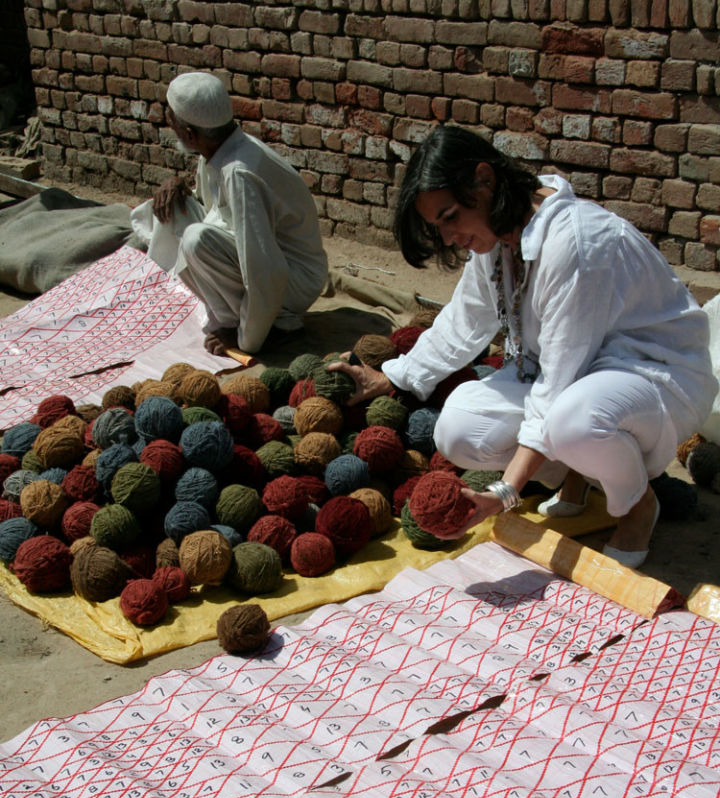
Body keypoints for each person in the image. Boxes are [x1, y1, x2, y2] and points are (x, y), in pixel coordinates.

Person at [331, 125, 718, 568]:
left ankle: (637, 503)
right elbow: (464, 320)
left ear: (484, 178)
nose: (449, 237)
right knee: (458, 427)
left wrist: (504, 492)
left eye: (451, 216)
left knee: (574, 421)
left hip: (655, 376)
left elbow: (557, 385)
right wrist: (395, 375)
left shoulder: (573, 242)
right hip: (579, 377)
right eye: (438, 227)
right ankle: (581, 471)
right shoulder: (496, 239)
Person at [130, 72, 328, 356]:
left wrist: (245, 339)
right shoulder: (219, 150)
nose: (169, 127)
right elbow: (218, 211)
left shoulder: (239, 173)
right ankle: (232, 313)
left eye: (171, 121)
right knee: (173, 209)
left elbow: (266, 269)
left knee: (195, 240)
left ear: (189, 134)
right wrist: (179, 185)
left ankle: (248, 324)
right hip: (269, 262)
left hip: (293, 278)